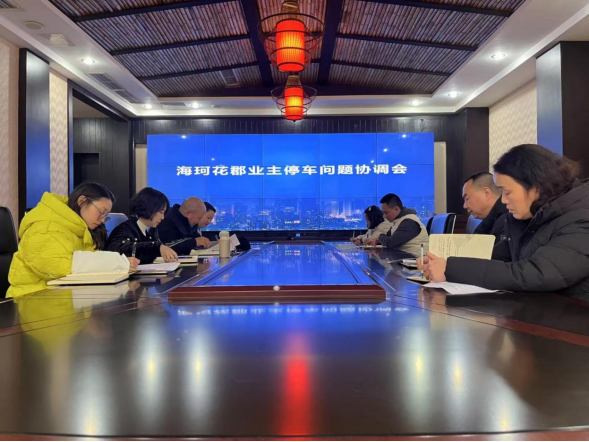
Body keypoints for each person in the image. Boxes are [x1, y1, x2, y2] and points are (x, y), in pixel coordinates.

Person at [422, 144, 589, 301]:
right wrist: (439, 261)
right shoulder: (528, 219)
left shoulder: (581, 218)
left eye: (507, 192)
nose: (503, 200)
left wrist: (450, 269)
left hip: (574, 317)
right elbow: (493, 256)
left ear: (536, 187)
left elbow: (537, 274)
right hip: (540, 311)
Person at [7, 183, 139, 298]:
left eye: (106, 216)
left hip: (62, 299)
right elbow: (59, 266)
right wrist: (117, 262)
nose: (103, 220)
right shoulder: (45, 227)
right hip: (32, 300)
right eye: (101, 212)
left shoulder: (80, 229)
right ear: (82, 201)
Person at [106, 187, 178, 263]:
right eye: (161, 212)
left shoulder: (150, 230)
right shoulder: (125, 229)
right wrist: (156, 247)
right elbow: (117, 249)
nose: (162, 217)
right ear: (149, 208)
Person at [463, 171, 508, 243]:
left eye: (467, 199)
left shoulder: (507, 220)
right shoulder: (489, 220)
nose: (465, 206)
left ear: (487, 193)